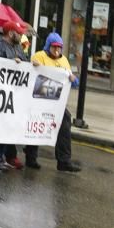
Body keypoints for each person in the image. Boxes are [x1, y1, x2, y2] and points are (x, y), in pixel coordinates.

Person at [31, 33, 80, 173]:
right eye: (54, 47)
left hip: (56, 102)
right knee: (35, 126)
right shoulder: (39, 56)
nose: (57, 50)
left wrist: (73, 79)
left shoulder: (64, 60)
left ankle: (64, 161)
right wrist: (33, 66)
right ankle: (31, 157)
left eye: (59, 47)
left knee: (65, 123)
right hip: (38, 99)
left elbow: (73, 81)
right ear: (48, 46)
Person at [0, 20, 32, 171]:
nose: (21, 36)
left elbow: (25, 66)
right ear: (11, 33)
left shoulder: (18, 48)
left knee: (7, 128)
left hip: (13, 96)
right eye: (19, 33)